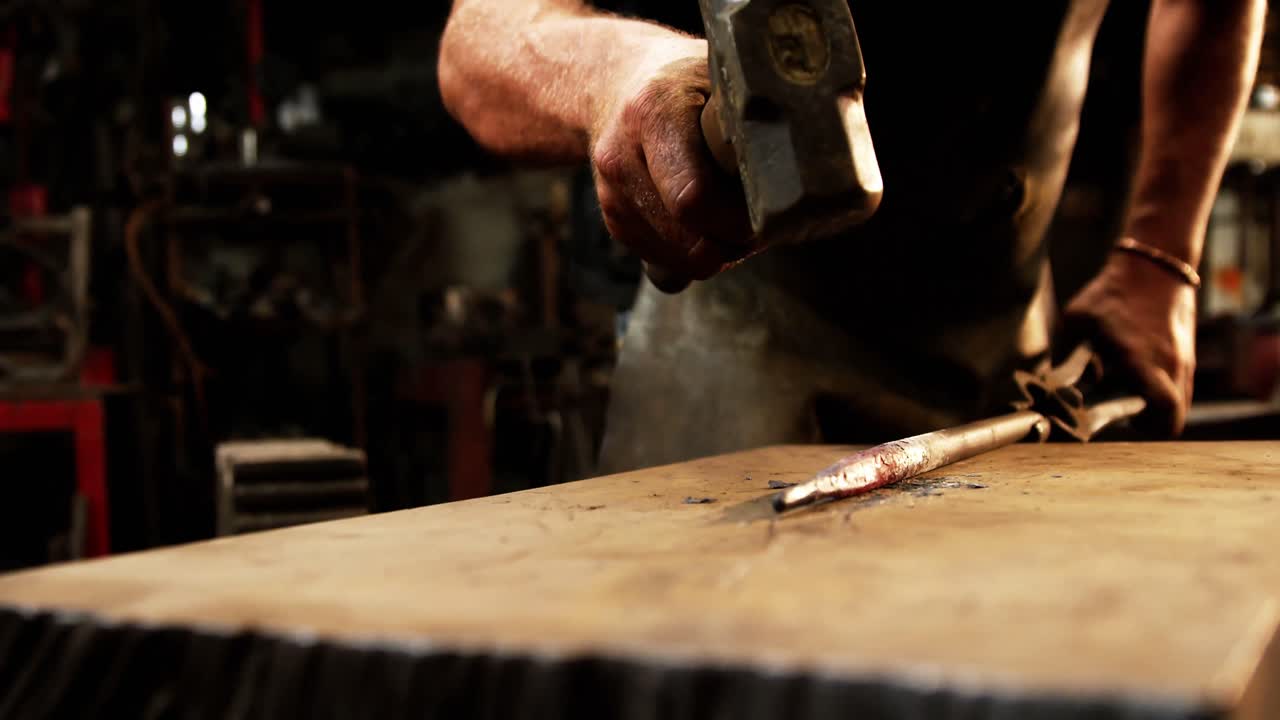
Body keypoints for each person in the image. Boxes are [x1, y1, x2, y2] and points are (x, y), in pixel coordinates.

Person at [438, 1, 1266, 473]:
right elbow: (477, 36)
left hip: (1010, 346)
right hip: (745, 345)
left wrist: (1162, 256)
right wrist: (615, 71)